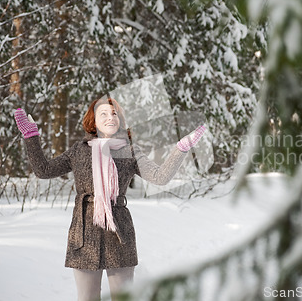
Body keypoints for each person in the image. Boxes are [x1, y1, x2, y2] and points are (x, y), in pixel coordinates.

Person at [14, 97, 206, 301]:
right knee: (87, 298)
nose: (110, 117)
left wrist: (181, 148)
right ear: (93, 121)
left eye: (114, 113)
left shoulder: (130, 151)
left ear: (121, 120)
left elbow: (160, 177)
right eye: (103, 113)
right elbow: (44, 170)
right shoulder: (79, 151)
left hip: (119, 233)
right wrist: (31, 136)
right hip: (84, 233)